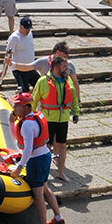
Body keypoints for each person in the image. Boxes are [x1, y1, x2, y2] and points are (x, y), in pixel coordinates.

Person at [8, 92, 65, 224]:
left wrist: (19, 168)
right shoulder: (34, 118)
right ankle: (58, 217)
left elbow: (27, 149)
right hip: (45, 155)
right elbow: (17, 138)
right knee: (45, 188)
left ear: (26, 107)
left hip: (36, 160)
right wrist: (11, 122)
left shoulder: (27, 124)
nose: (14, 109)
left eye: (17, 106)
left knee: (38, 194)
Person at [32, 51, 79, 181]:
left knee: (62, 145)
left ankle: (61, 171)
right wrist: (30, 116)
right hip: (48, 120)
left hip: (63, 119)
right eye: (64, 66)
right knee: (46, 147)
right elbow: (34, 100)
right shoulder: (42, 81)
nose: (67, 69)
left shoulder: (67, 80)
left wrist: (76, 113)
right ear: (55, 67)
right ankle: (45, 173)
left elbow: (73, 97)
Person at [1, 16, 39, 92]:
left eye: (29, 28)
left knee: (39, 85)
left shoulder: (30, 33)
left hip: (30, 67)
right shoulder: (15, 38)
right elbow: (8, 55)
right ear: (21, 26)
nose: (28, 31)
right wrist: (4, 71)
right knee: (24, 90)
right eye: (26, 28)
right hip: (19, 69)